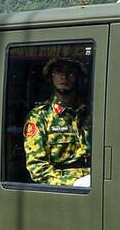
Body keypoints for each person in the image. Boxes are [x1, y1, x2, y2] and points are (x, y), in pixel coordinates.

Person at [24, 57, 92, 185]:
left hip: (96, 181)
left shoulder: (88, 114)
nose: (64, 77)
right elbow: (37, 169)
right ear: (51, 76)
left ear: (77, 78)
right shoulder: (40, 116)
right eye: (59, 71)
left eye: (70, 72)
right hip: (63, 189)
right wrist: (73, 183)